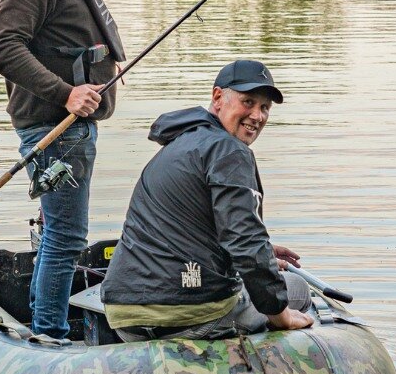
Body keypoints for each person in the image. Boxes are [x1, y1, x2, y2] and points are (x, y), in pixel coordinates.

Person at [0, 0, 124, 340]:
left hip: (70, 128)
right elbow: (4, 46)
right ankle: (49, 333)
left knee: (57, 233)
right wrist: (67, 92)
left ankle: (45, 321)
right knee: (67, 238)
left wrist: (105, 63)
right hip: (56, 127)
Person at [101, 61, 315, 341]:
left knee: (267, 278)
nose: (257, 116)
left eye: (265, 108)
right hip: (189, 312)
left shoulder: (182, 141)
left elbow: (195, 229)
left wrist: (264, 253)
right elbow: (244, 241)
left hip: (124, 313)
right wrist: (281, 315)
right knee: (296, 289)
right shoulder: (230, 151)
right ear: (218, 98)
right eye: (248, 102)